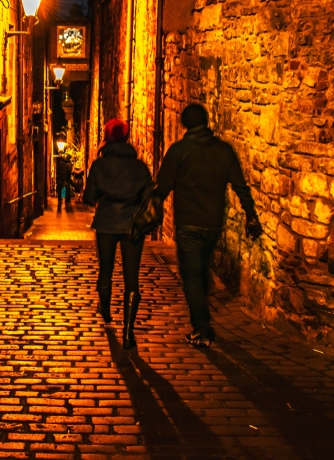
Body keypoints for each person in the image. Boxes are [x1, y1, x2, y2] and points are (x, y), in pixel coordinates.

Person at [153, 103, 263, 347]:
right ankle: (202, 317)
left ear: (185, 124)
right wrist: (251, 214)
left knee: (191, 275)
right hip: (213, 223)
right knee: (201, 269)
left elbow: (162, 186)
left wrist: (152, 207)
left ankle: (201, 328)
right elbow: (240, 186)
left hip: (188, 223)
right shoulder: (223, 151)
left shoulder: (179, 150)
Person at [82, 119, 153, 349]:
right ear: (126, 138)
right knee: (132, 278)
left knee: (106, 268)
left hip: (106, 224)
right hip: (132, 226)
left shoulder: (99, 166)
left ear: (108, 139)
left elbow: (89, 196)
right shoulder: (140, 167)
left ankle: (105, 310)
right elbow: (148, 197)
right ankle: (128, 332)